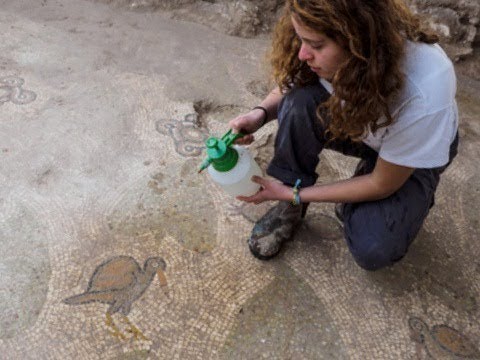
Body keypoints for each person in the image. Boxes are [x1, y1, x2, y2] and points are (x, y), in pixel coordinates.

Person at [228, 0, 459, 270]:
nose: (303, 54)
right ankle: (288, 209)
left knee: (374, 247)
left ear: (357, 42)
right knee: (299, 101)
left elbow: (383, 184)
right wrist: (261, 113)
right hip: (364, 127)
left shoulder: (426, 89)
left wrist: (296, 193)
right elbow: (295, 82)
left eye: (316, 46)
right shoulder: (319, 42)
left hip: (412, 156)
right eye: (302, 40)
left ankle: (376, 190)